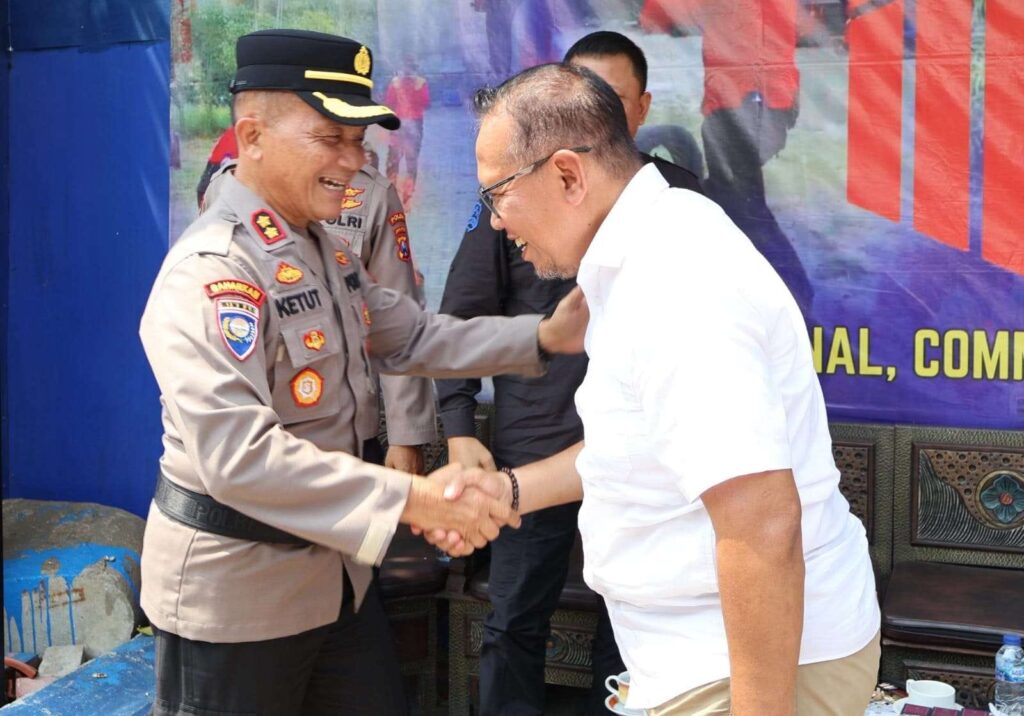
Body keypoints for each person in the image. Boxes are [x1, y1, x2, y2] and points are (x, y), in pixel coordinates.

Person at [138, 30, 586, 716]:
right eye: (332, 138)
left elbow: (410, 334)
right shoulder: (213, 272)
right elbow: (238, 457)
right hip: (236, 598)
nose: (355, 162)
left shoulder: (319, 248)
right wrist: (417, 501)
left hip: (336, 581)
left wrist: (546, 335)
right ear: (252, 136)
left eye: (360, 141)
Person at [434, 62, 881, 715]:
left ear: (566, 174)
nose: (495, 222)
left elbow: (762, 523)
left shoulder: (675, 280)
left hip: (740, 672)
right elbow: (638, 446)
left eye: (496, 193)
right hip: (696, 659)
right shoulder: (639, 252)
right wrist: (510, 491)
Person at [437, 31, 702, 716]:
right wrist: (460, 429)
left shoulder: (680, 212)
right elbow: (460, 320)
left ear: (637, 110)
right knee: (514, 622)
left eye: (608, 100)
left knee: (635, 634)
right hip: (541, 444)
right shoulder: (519, 204)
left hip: (647, 466)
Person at [204, 145, 437, 475]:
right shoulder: (230, 187)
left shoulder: (371, 193)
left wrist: (406, 437)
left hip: (346, 434)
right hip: (257, 431)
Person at [638, 0, 816, 317]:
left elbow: (660, 18)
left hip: (740, 101)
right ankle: (782, 292)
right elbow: (807, 24)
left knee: (741, 205)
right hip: (775, 98)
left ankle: (791, 291)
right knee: (736, 200)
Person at [384, 55, 431, 204]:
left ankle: (391, 191)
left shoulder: (395, 83)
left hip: (398, 123)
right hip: (415, 123)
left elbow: (389, 101)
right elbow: (426, 102)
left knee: (393, 159)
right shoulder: (421, 83)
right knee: (412, 160)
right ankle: (408, 194)